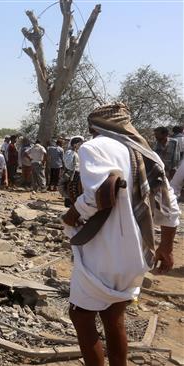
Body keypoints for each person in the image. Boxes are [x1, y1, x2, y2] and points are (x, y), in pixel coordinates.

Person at [62, 103, 179, 366]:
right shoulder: (148, 154)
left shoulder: (93, 147)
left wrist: (73, 214)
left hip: (103, 250)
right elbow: (170, 207)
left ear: (94, 125)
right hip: (137, 254)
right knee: (114, 316)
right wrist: (166, 247)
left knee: (80, 316)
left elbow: (95, 197)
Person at [59, 136, 84, 207]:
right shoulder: (70, 152)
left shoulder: (76, 152)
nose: (80, 146)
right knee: (68, 188)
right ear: (75, 144)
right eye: (79, 144)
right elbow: (68, 164)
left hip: (76, 173)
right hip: (71, 173)